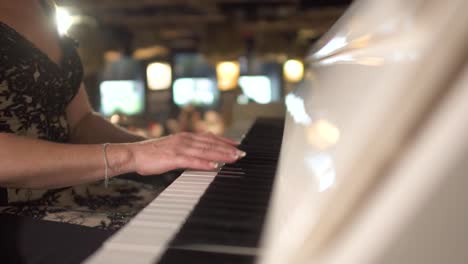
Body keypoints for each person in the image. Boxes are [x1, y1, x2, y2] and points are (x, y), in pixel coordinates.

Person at [0, 1, 245, 229]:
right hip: (15, 216)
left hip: (79, 187)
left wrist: (161, 150)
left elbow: (81, 122)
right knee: (193, 233)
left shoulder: (43, 5)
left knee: (223, 211)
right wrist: (132, 156)